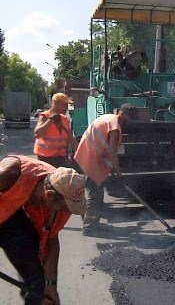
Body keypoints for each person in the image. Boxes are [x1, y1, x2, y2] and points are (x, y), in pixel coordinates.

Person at [0, 155, 86, 305]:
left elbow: (51, 242)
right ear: (49, 196)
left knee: (37, 281)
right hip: (6, 210)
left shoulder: (59, 200)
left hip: (10, 215)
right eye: (65, 206)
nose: (67, 211)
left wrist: (50, 285)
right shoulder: (10, 173)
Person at [74, 103, 137, 235]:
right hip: (90, 159)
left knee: (97, 194)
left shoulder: (109, 118)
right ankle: (89, 228)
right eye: (130, 118)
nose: (130, 121)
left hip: (88, 155)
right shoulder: (115, 127)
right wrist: (119, 173)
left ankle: (94, 223)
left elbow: (106, 149)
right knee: (94, 196)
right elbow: (113, 153)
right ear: (123, 114)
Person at [34, 93, 77, 168]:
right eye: (65, 105)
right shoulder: (45, 116)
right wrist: (51, 120)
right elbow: (37, 134)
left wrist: (79, 150)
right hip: (45, 158)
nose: (66, 108)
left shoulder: (64, 119)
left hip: (60, 157)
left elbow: (70, 138)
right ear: (56, 103)